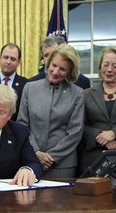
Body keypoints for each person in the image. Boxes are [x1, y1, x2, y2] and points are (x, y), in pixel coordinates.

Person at [17, 44, 84, 178]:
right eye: (54, 65)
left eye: (62, 69)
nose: (55, 71)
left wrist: (51, 157)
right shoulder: (30, 88)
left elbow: (75, 132)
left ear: (70, 72)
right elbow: (22, 125)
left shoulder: (77, 93)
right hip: (32, 160)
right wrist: (36, 152)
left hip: (63, 165)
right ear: (48, 63)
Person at [79, 47, 116, 175]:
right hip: (93, 162)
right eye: (106, 65)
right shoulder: (86, 94)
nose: (109, 70)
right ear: (100, 66)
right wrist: (98, 135)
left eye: (114, 66)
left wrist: (114, 133)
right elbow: (78, 126)